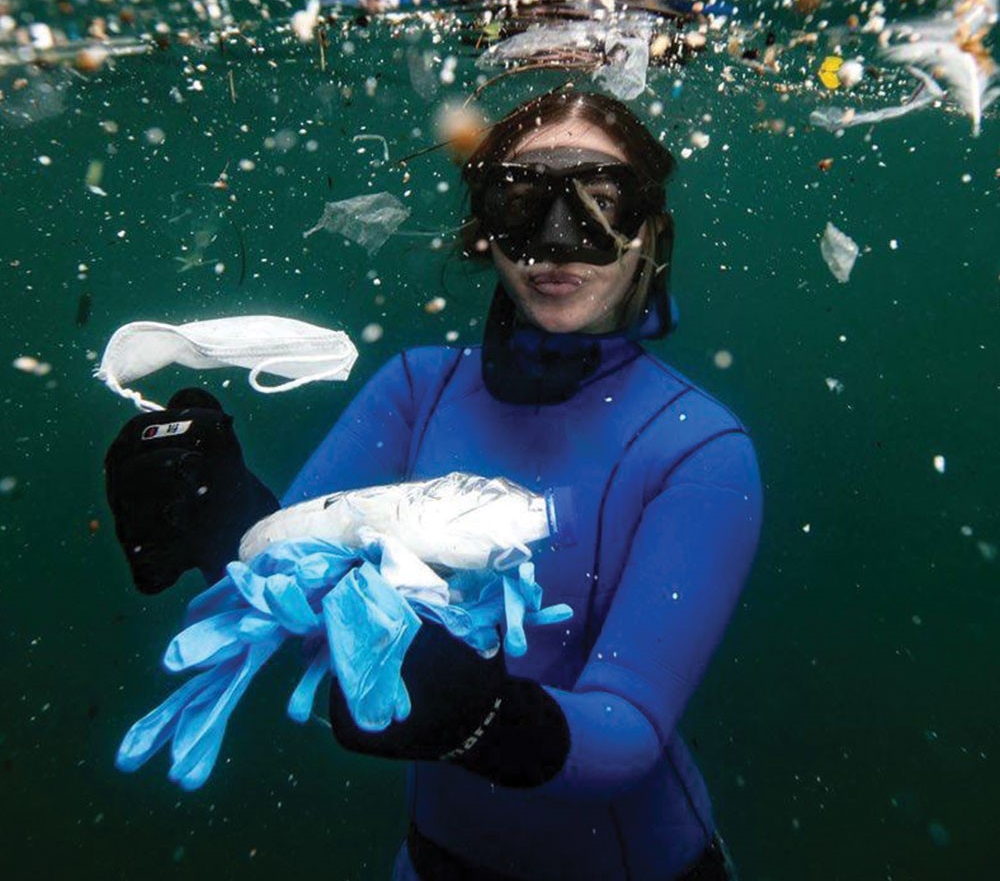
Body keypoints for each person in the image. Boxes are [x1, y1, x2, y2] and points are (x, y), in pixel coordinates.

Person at [105, 88, 762, 881]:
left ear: (649, 230)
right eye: (523, 198)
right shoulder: (417, 387)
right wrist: (222, 524)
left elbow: (627, 731)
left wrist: (484, 716)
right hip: (433, 863)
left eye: (602, 200)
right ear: (486, 228)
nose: (558, 241)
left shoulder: (703, 450)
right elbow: (301, 589)